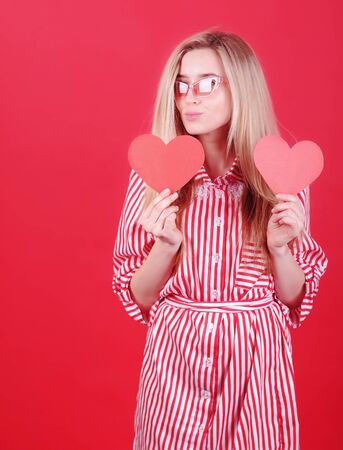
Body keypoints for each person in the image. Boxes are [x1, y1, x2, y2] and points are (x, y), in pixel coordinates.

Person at [112, 28, 329, 450]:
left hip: (255, 364)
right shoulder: (154, 176)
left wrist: (280, 248)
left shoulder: (279, 176)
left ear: (241, 87)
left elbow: (292, 298)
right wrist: (166, 246)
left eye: (207, 83)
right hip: (177, 357)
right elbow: (136, 294)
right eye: (181, 84)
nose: (189, 96)